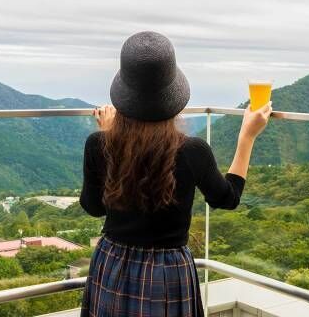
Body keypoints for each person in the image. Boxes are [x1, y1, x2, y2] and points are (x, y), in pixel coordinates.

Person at [80, 31, 271, 317]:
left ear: (123, 95)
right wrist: (247, 136)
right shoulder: (193, 151)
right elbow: (227, 199)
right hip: (168, 273)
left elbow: (94, 208)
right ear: (172, 95)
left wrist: (111, 140)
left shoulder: (99, 143)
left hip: (112, 264)